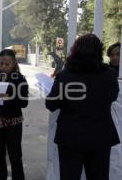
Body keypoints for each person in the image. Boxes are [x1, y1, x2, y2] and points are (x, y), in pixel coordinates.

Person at [45, 34, 120, 180]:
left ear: (75, 51)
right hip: (101, 136)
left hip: (70, 137)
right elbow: (113, 97)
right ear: (99, 51)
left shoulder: (65, 76)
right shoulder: (110, 75)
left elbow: (51, 104)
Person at [0, 49, 29, 180]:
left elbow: (24, 102)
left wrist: (10, 98)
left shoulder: (20, 79)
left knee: (15, 156)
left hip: (13, 122)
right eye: (1, 64)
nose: (3, 67)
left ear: (14, 63)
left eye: (7, 64)